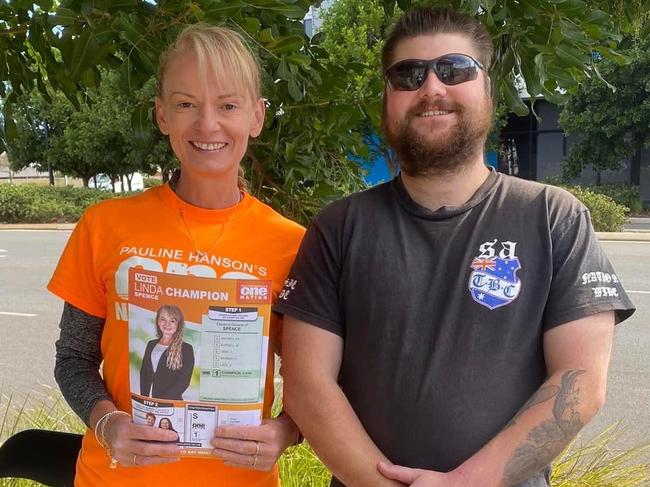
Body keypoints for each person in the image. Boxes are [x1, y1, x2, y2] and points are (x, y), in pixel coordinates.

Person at [275, 7, 636, 487]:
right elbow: (306, 386)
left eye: (454, 69)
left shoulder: (554, 218)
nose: (431, 88)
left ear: (488, 89)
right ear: (387, 98)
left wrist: (466, 482)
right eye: (408, 74)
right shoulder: (338, 227)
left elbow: (580, 381)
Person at [49, 24, 305, 487]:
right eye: (186, 104)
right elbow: (73, 359)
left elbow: (315, 382)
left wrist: (286, 431)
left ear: (257, 116)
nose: (207, 125)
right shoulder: (104, 225)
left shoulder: (293, 245)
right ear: (162, 114)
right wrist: (108, 424)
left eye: (227, 105)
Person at [140, 305, 194, 400]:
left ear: (179, 324)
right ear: (158, 321)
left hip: (170, 403)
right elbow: (144, 373)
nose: (167, 324)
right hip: (149, 400)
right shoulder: (151, 344)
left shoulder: (186, 349)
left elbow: (183, 381)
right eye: (163, 319)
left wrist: (163, 401)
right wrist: (144, 398)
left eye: (172, 321)